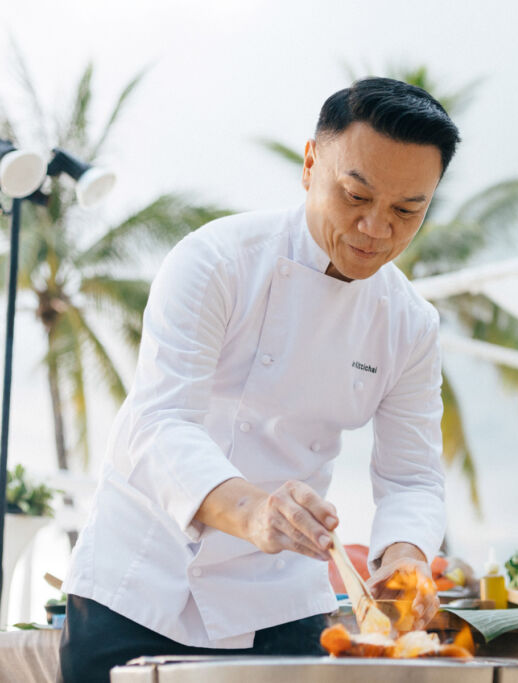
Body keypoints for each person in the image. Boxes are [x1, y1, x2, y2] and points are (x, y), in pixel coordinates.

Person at [59, 77, 460, 682]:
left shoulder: (410, 324)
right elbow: (160, 424)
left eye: (408, 211)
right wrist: (253, 512)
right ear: (309, 164)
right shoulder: (216, 260)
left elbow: (412, 478)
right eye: (356, 196)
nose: (376, 229)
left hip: (279, 599)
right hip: (141, 582)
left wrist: (404, 559)